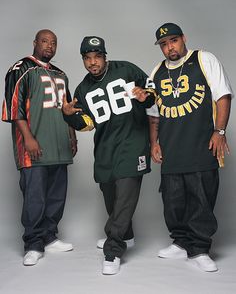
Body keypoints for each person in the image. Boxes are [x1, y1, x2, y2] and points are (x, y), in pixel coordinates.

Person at [62, 36, 156, 275]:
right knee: (110, 195)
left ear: (105, 56)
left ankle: (113, 249)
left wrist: (147, 97)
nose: (93, 62)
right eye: (87, 58)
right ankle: (127, 235)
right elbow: (87, 124)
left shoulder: (126, 69)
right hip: (105, 148)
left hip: (132, 142)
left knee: (125, 195)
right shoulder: (83, 88)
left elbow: (153, 89)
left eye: (97, 56)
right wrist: (69, 115)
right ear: (83, 59)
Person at [147, 23, 233, 272]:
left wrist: (220, 131)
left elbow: (223, 95)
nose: (169, 47)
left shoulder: (203, 59)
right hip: (171, 149)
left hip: (201, 146)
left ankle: (200, 248)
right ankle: (181, 242)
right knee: (173, 202)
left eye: (173, 41)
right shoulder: (157, 72)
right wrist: (154, 142)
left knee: (201, 198)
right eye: (163, 44)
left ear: (183, 38)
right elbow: (154, 114)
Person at [2, 29, 93, 266]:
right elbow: (15, 108)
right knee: (35, 197)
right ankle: (33, 243)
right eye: (44, 41)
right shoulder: (20, 68)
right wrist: (28, 138)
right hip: (34, 146)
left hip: (59, 144)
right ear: (35, 43)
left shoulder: (61, 74)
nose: (49, 46)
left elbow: (69, 108)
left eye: (54, 43)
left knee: (56, 195)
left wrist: (72, 135)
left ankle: (50, 237)